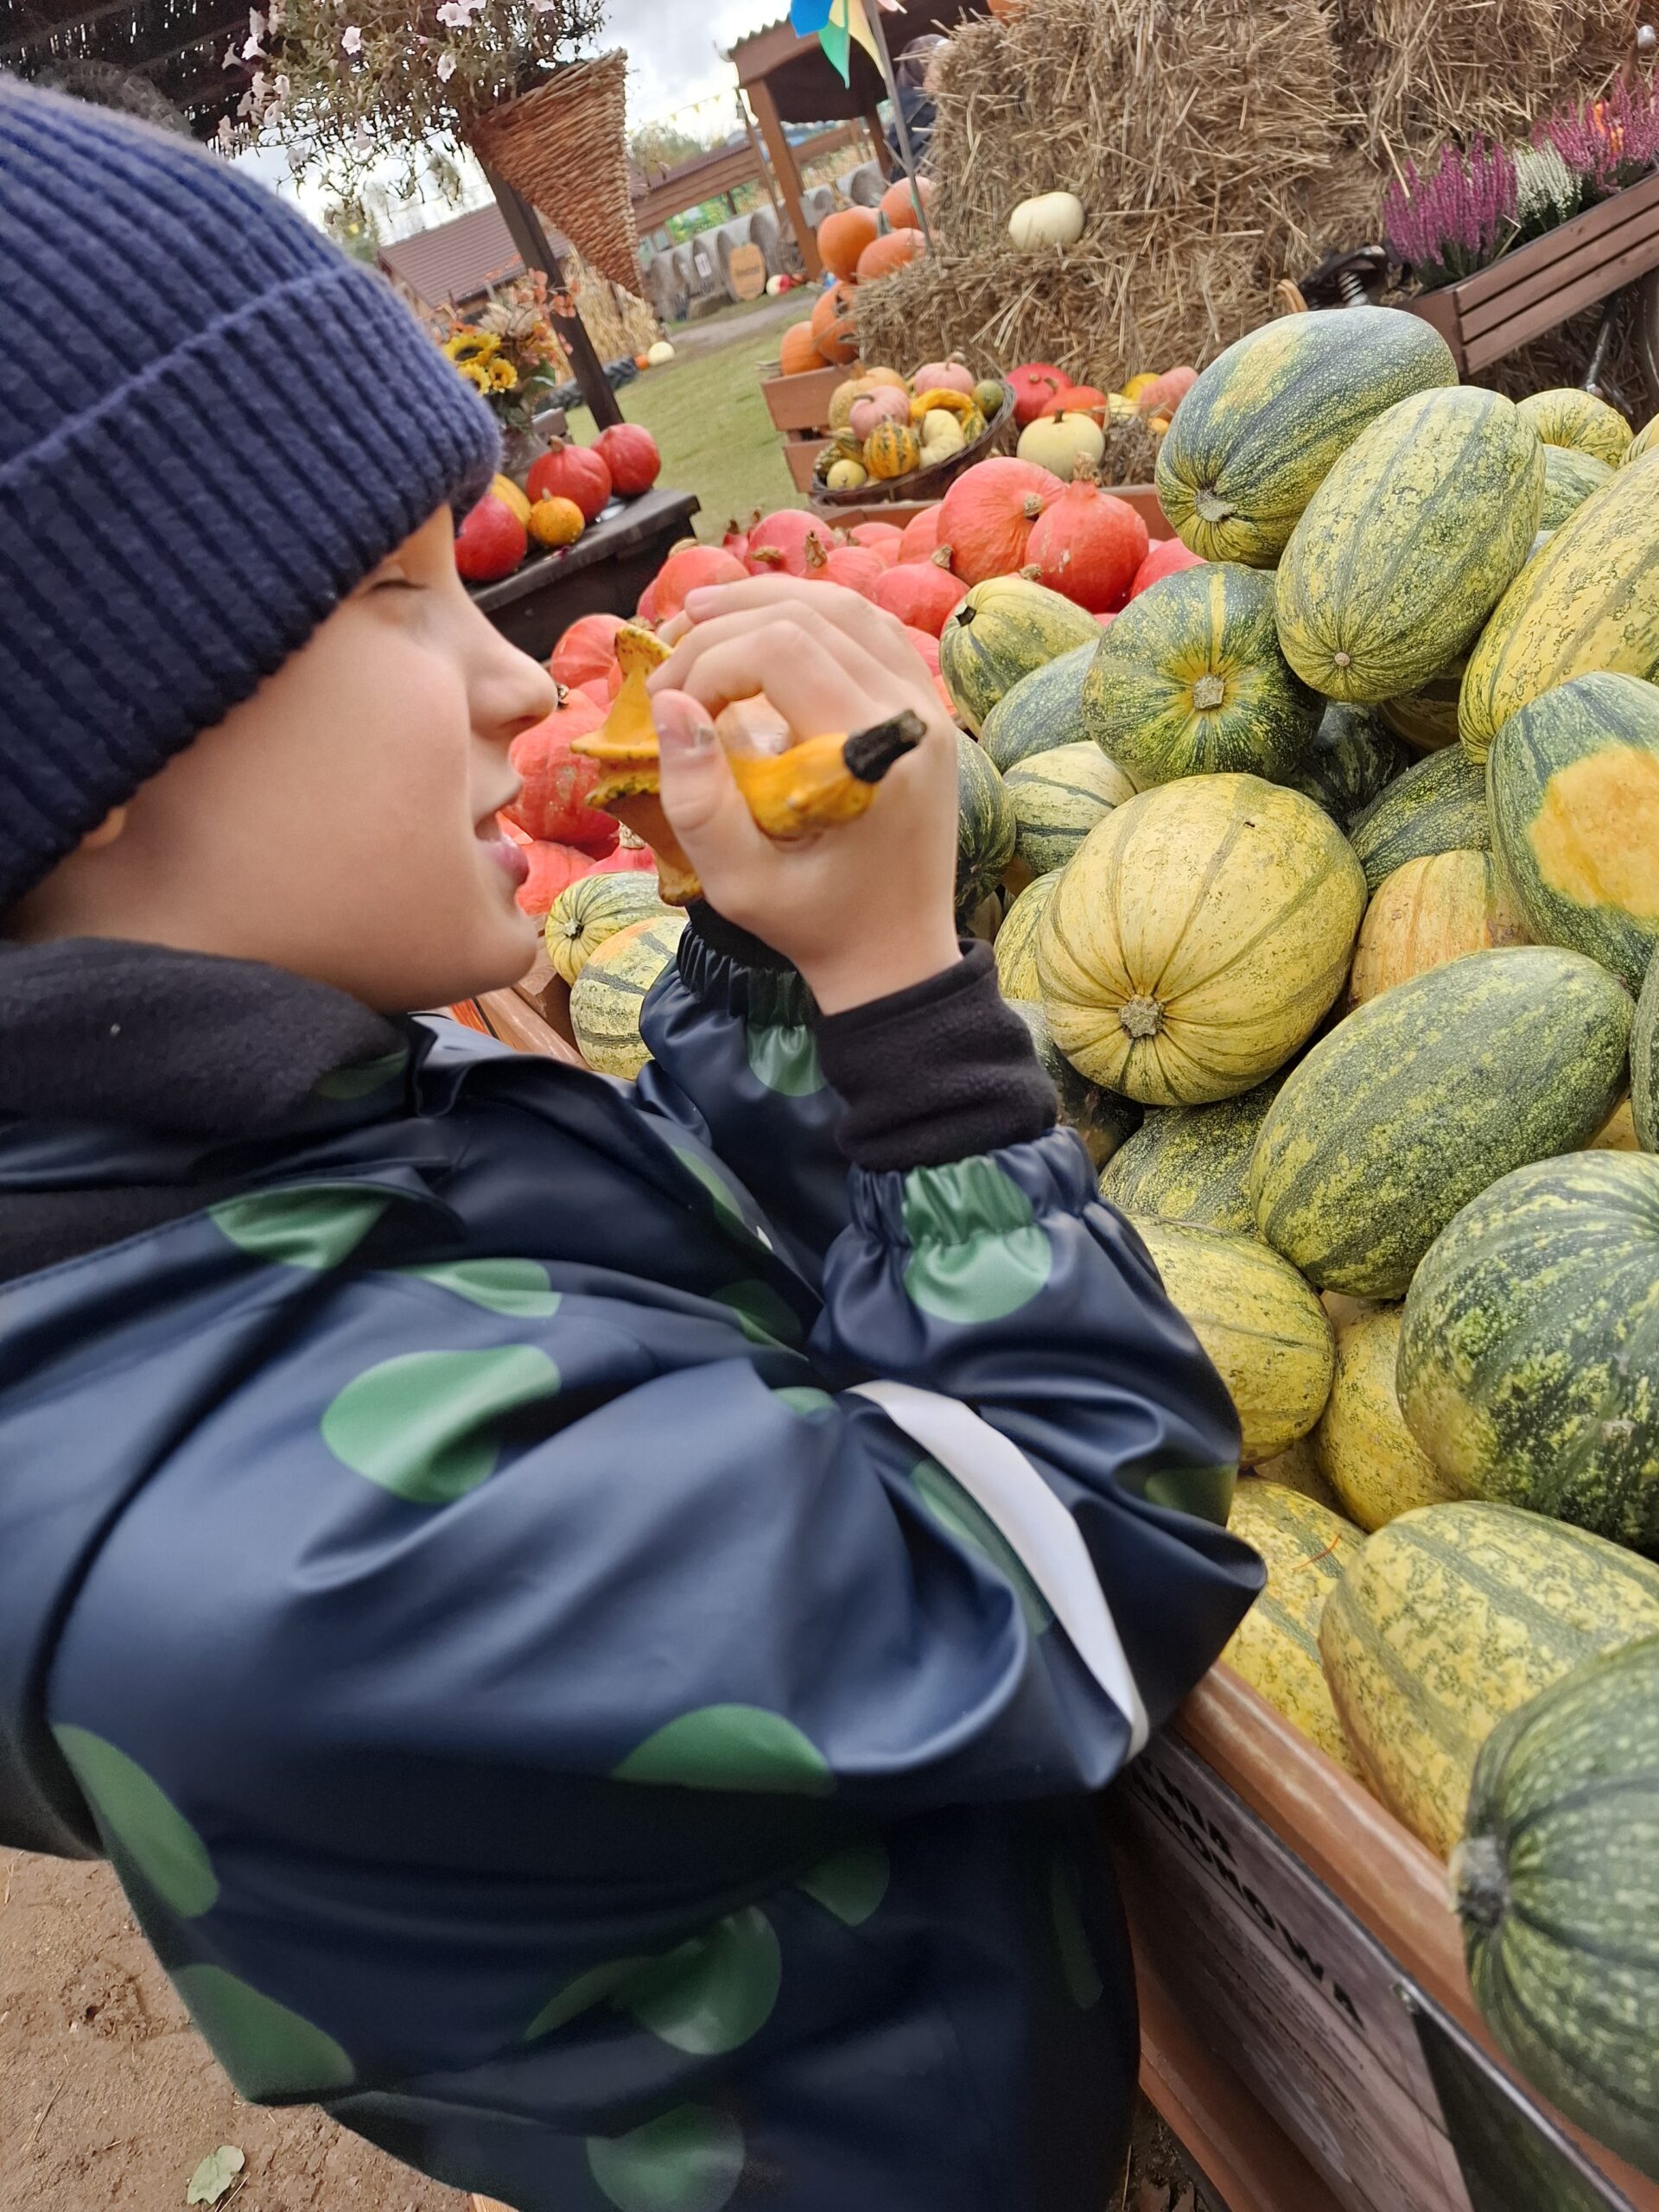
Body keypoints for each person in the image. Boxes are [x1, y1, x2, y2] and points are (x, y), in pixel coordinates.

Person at [0, 79, 1259, 2212]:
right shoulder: (300, 1549)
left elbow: (684, 1290)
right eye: (402, 597)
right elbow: (1093, 1548)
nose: (512, 680)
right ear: (100, 753)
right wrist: (908, 1014)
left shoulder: (227, 1156)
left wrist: (762, 971)